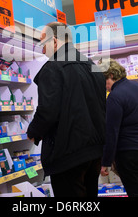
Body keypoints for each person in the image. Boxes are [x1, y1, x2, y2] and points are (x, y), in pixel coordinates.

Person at [26, 21, 106, 197]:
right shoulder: (92, 65)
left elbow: (48, 111)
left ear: (54, 41)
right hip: (94, 153)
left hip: (68, 154)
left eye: (42, 43)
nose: (42, 50)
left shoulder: (53, 68)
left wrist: (33, 132)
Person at [100, 59, 138, 197]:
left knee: (137, 193)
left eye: (104, 80)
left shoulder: (114, 97)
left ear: (111, 75)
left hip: (130, 154)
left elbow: (112, 133)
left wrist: (106, 162)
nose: (104, 86)